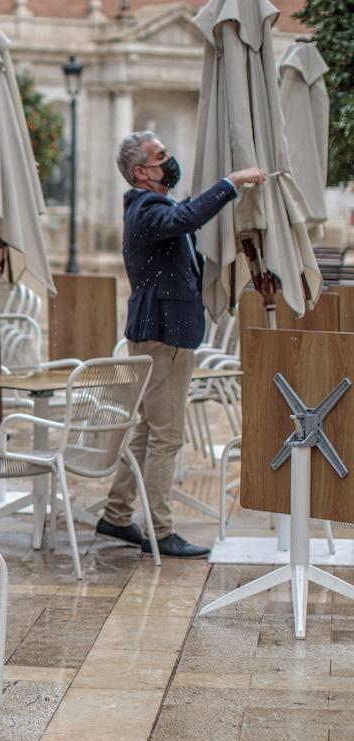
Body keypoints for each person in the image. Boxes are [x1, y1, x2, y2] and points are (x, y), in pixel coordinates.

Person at [97, 131, 266, 558]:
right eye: (161, 156)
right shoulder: (147, 209)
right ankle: (160, 530)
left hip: (157, 333)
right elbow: (186, 219)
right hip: (162, 337)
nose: (170, 161)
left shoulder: (148, 207)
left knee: (147, 431)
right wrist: (230, 183)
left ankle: (116, 515)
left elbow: (185, 219)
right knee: (166, 438)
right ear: (141, 171)